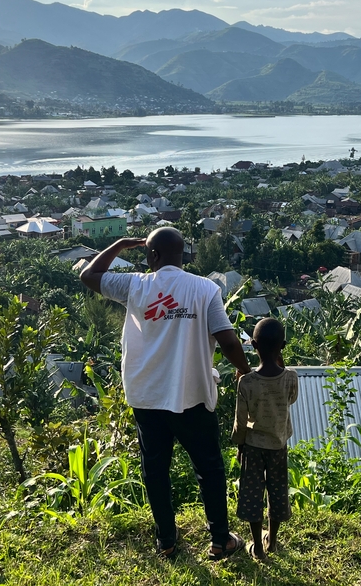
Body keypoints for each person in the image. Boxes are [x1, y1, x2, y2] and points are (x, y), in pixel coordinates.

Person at [80, 227, 251, 560]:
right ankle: (220, 540)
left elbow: (90, 275)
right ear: (182, 254)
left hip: (147, 396)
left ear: (152, 255)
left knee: (156, 471)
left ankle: (167, 542)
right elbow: (228, 339)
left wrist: (120, 243)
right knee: (210, 468)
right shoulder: (205, 289)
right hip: (193, 396)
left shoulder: (134, 285)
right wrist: (245, 369)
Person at [232, 317, 299, 560]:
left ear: (254, 346)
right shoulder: (291, 378)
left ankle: (258, 549)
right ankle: (273, 542)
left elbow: (240, 420)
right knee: (277, 491)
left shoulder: (246, 382)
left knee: (252, 493)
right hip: (278, 445)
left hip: (253, 446)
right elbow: (291, 400)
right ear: (282, 346)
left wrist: (239, 445)